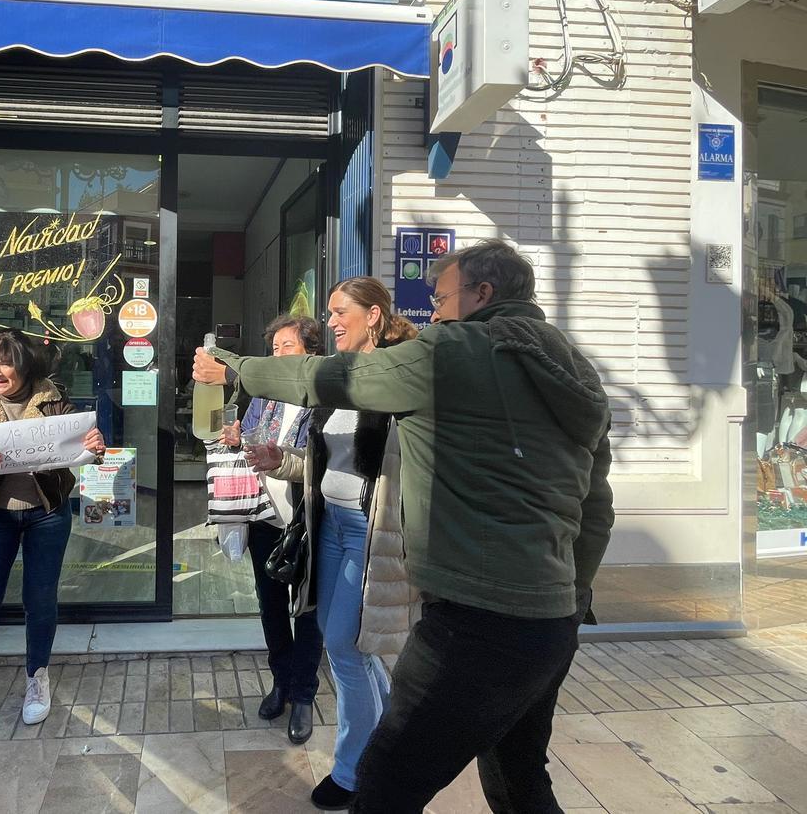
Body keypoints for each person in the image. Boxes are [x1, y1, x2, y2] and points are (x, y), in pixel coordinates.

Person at [193, 240, 615, 813]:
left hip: (475, 618)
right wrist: (572, 589)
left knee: (384, 785)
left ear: (482, 294)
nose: (433, 312)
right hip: (552, 616)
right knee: (519, 781)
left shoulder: (451, 352)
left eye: (441, 298)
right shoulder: (571, 365)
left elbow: (324, 377)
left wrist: (237, 366)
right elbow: (595, 505)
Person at [232, 279, 418, 810]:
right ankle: (387, 748)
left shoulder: (398, 378)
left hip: (368, 530)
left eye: (341, 313)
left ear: (374, 316)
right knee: (351, 650)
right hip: (327, 527)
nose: (332, 321)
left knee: (342, 647)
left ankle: (353, 771)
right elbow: (324, 463)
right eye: (329, 313)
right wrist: (282, 463)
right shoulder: (336, 381)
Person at [0, 329, 105, 736]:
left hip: (46, 513)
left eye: (4, 362)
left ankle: (37, 679)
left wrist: (95, 444)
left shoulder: (53, 398)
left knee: (40, 598)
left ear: (24, 364)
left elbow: (79, 447)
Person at [219, 314, 324, 746]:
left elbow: (322, 461)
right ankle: (281, 681)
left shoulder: (323, 397)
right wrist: (235, 435)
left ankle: (303, 694)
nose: (278, 355)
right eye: (275, 348)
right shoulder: (262, 395)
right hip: (263, 513)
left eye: (287, 347)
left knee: (308, 611)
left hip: (306, 517)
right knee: (270, 606)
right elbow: (250, 437)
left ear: (310, 353)